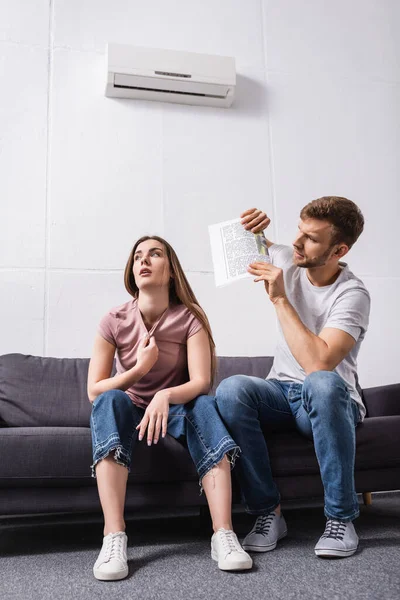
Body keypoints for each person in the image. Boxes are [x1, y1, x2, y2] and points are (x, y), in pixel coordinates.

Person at [87, 235, 252, 581]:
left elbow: (200, 381)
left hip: (175, 409)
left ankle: (223, 534)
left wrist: (164, 396)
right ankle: (113, 537)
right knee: (108, 401)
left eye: (154, 255)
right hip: (129, 408)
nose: (143, 261)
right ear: (132, 271)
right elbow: (94, 389)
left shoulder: (190, 317)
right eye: (137, 257)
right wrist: (138, 371)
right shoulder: (113, 319)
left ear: (171, 270)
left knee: (205, 405)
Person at [215, 196, 370, 558]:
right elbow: (252, 246)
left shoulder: (352, 294)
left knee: (322, 382)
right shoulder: (289, 257)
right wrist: (251, 226)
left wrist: (280, 300)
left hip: (331, 397)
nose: (298, 242)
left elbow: (319, 364)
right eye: (299, 231)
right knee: (231, 389)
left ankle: (341, 519)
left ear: (339, 249)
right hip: (282, 394)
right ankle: (269, 513)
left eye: (312, 238)